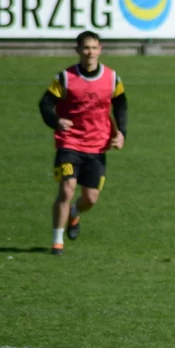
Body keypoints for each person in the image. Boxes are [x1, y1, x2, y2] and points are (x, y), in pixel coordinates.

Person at [38, 31, 128, 255]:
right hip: (69, 143)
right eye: (86, 48)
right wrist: (56, 121)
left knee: (90, 198)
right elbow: (45, 104)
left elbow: (121, 104)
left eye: (94, 48)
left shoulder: (111, 78)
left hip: (97, 146)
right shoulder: (65, 78)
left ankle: (75, 214)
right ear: (78, 50)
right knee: (67, 189)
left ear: (100, 50)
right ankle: (57, 242)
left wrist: (122, 132)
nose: (90, 52)